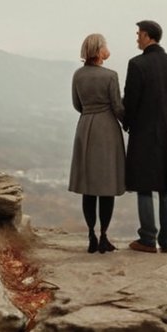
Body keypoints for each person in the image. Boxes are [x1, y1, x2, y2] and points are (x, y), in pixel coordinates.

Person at [123, 18, 167, 254]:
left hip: (143, 133)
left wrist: (127, 123)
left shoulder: (137, 64)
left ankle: (148, 238)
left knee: (144, 186)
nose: (137, 38)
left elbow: (130, 101)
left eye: (139, 34)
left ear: (148, 36)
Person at [68, 32, 126, 253]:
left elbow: (77, 104)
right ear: (99, 50)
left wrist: (89, 114)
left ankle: (91, 234)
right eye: (105, 45)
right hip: (107, 129)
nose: (107, 48)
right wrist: (128, 122)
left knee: (89, 186)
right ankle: (103, 236)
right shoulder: (110, 75)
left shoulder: (78, 75)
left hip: (85, 127)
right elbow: (118, 107)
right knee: (107, 185)